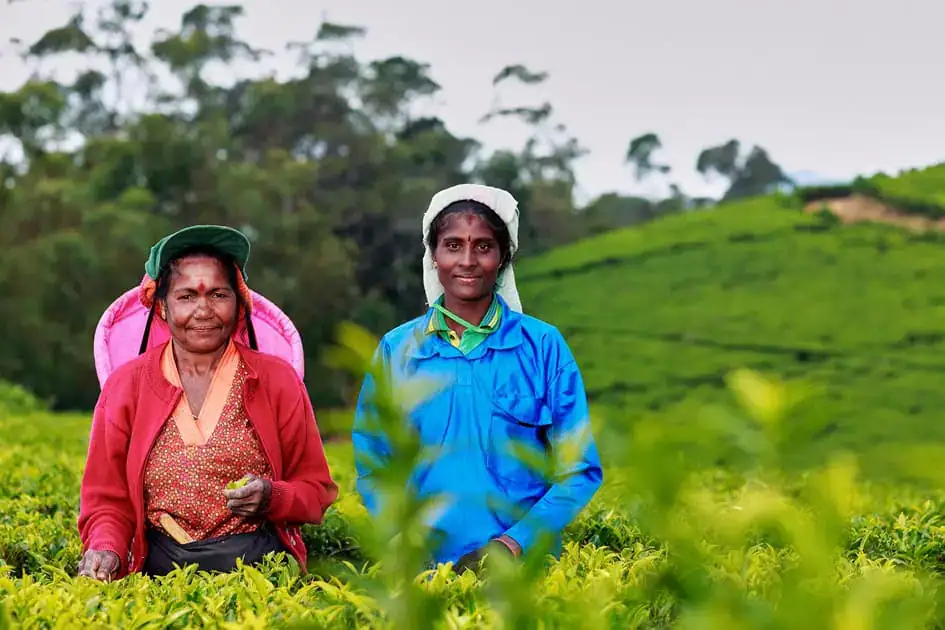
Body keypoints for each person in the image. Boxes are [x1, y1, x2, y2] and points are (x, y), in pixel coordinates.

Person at [352, 184, 603, 573]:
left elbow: (580, 469)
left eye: (483, 247)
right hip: (422, 573)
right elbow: (373, 459)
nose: (467, 260)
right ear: (433, 255)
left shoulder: (543, 346)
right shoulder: (397, 349)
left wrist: (513, 544)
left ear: (503, 258)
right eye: (452, 245)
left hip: (524, 570)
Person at [77, 225, 338, 581]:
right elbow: (106, 500)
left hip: (260, 576)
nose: (204, 310)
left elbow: (317, 489)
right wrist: (105, 548)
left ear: (239, 302)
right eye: (186, 296)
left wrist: (272, 496)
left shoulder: (277, 380)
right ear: (162, 308)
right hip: (158, 576)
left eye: (218, 294)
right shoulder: (127, 385)